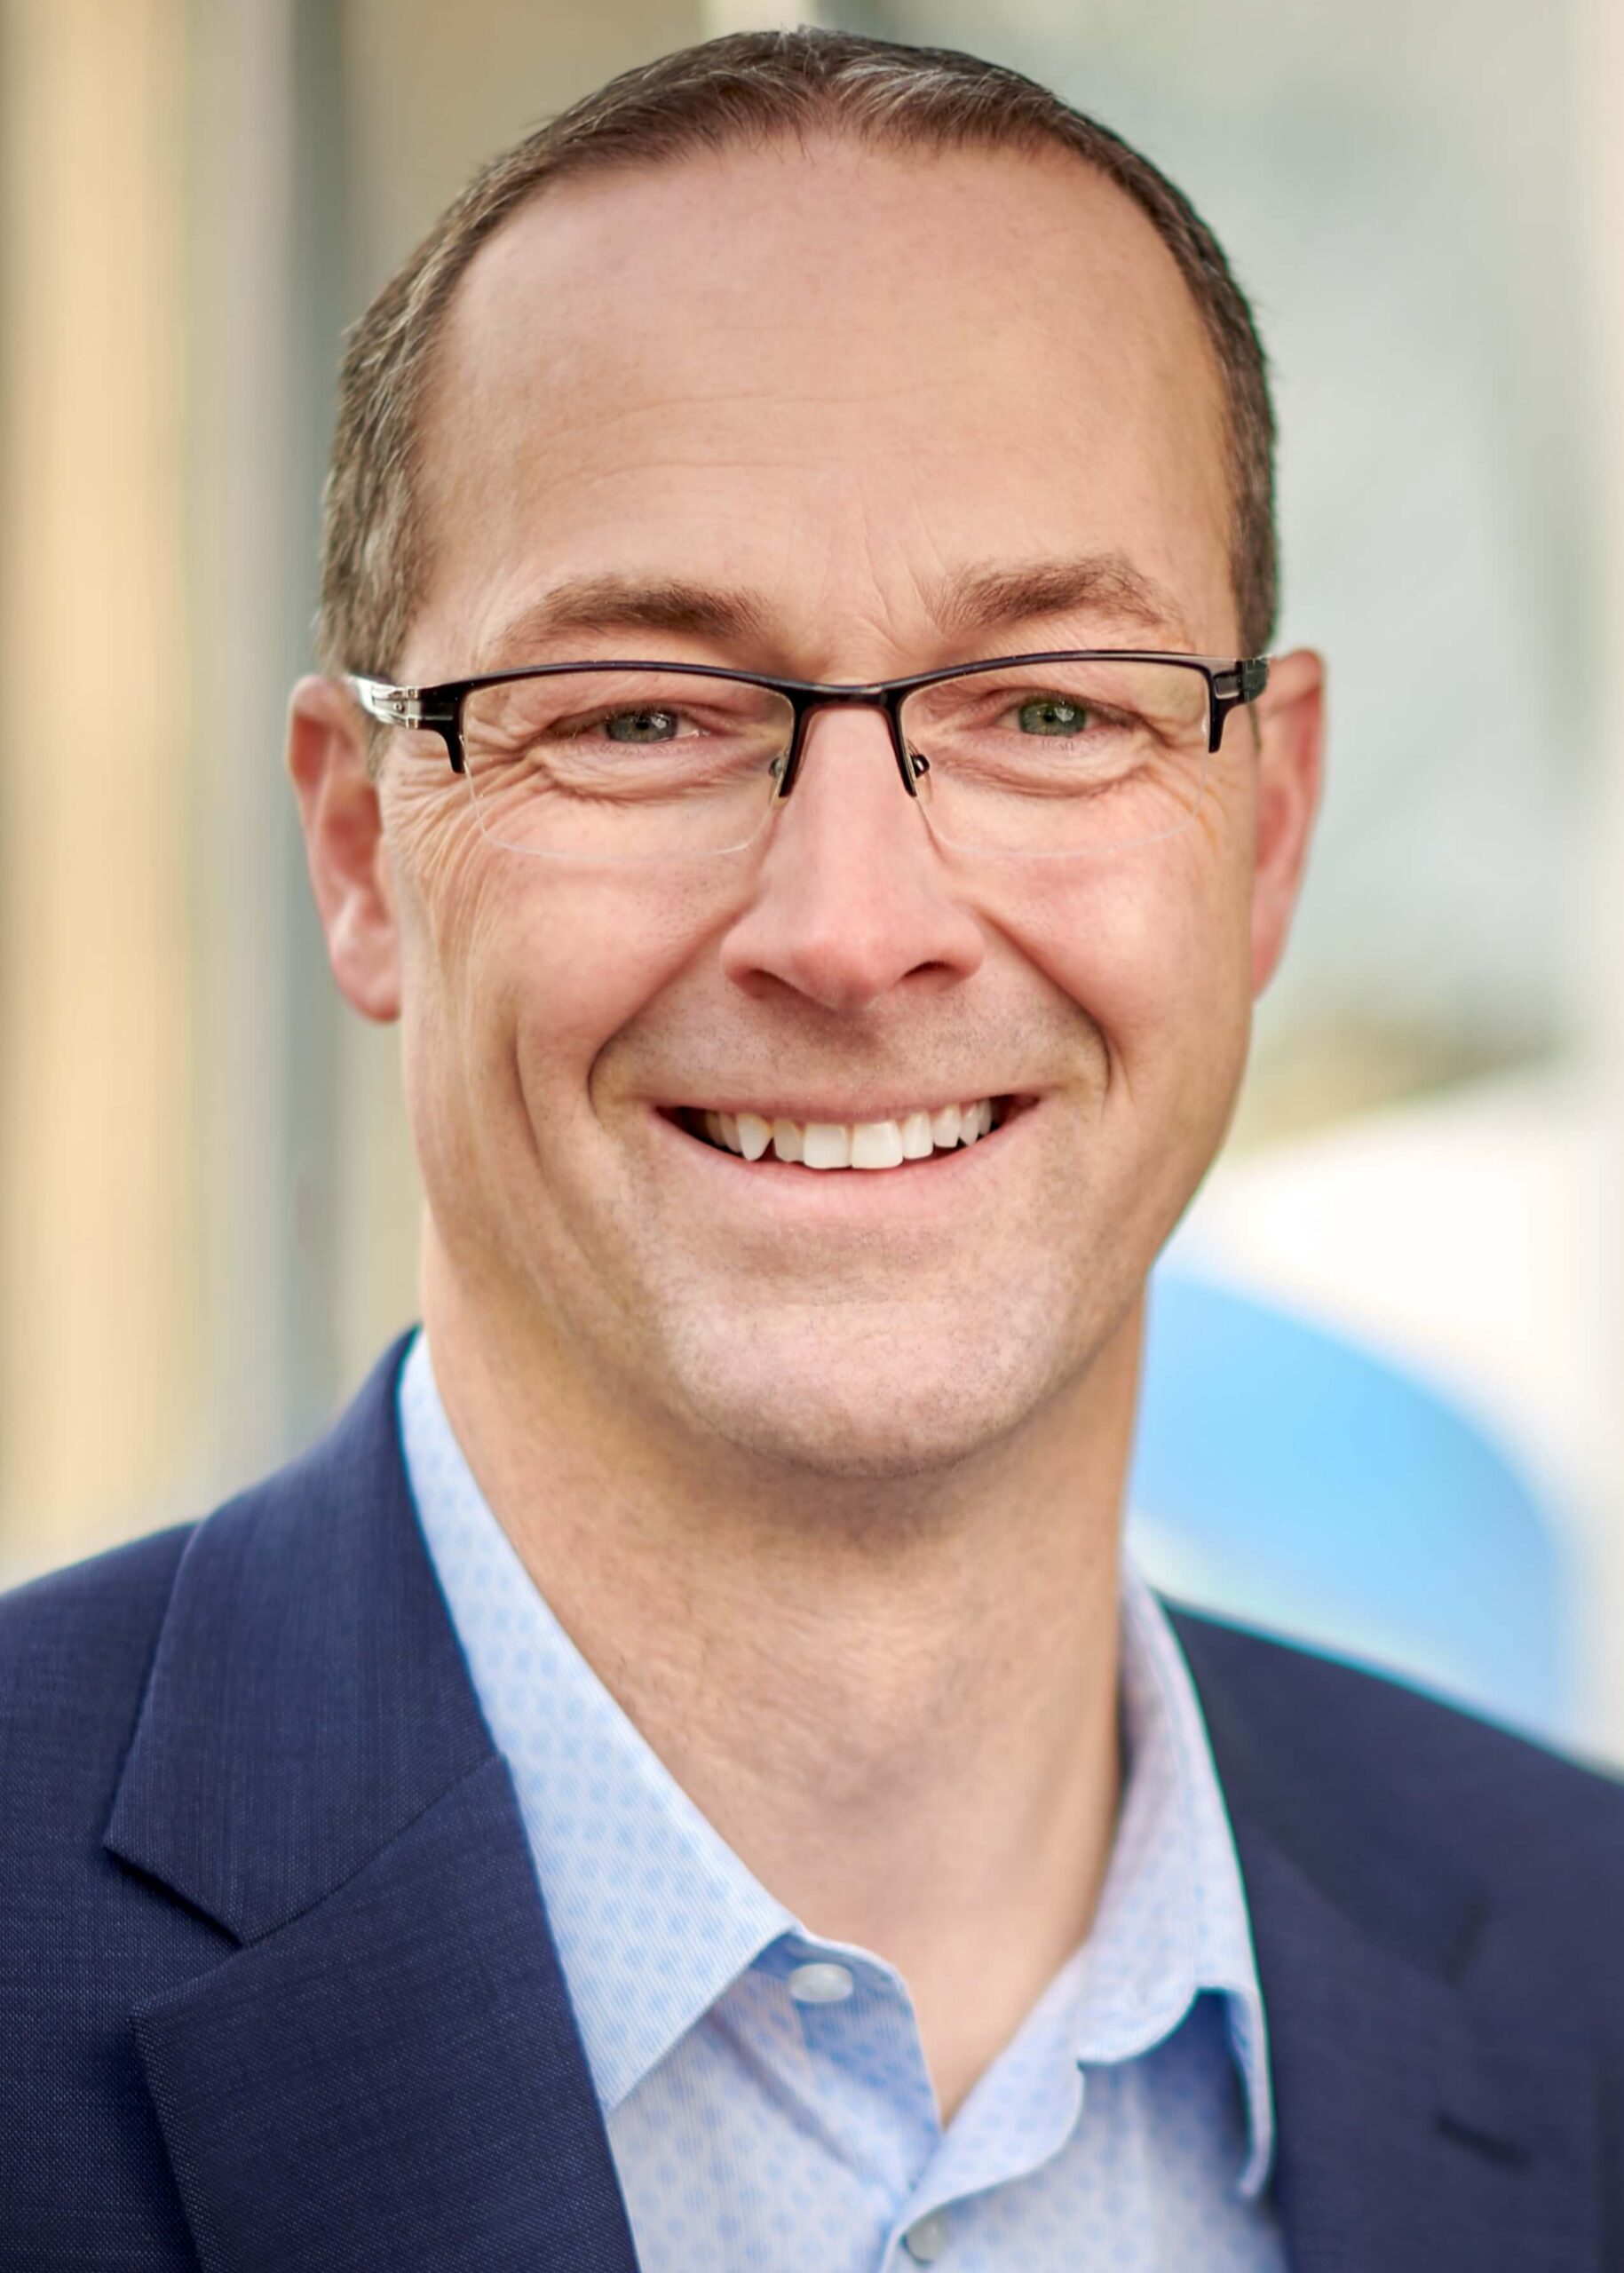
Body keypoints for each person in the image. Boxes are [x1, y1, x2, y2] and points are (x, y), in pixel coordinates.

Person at [3, 27, 1620, 2272]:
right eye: (644, 715)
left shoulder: (1594, 1978)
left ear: (1269, 831)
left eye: (1051, 704)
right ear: (368, 849)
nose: (853, 930)